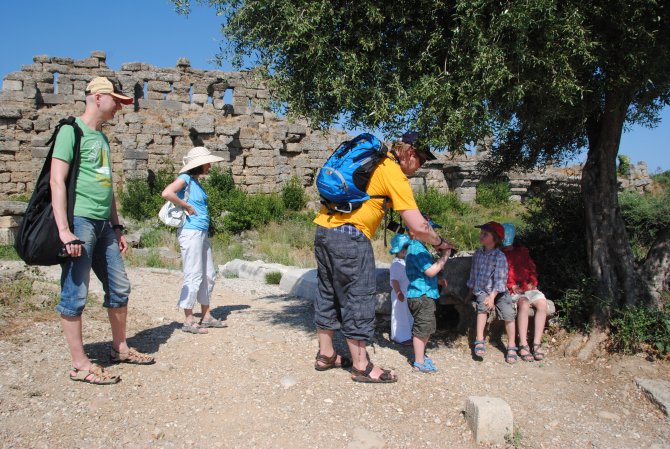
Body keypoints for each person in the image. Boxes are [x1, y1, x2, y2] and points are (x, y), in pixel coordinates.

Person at [313, 131, 454, 383]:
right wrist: (440, 243)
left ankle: (326, 355)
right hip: (350, 237)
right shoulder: (392, 171)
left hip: (324, 230)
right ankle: (361, 366)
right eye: (421, 160)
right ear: (410, 153)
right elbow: (418, 227)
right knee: (357, 296)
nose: (420, 167)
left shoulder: (375, 163)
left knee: (328, 292)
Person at [51, 77, 154, 385]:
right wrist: (64, 230)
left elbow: (108, 188)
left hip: (103, 225)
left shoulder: (103, 139)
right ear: (97, 97)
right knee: (76, 292)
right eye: (116, 102)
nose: (119, 108)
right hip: (79, 222)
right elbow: (57, 181)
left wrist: (117, 225)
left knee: (120, 286)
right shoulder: (71, 131)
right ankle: (80, 364)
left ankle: (119, 348)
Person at [161, 147, 226, 334]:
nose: (210, 165)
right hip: (190, 232)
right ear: (199, 164)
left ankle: (206, 316)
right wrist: (186, 205)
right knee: (193, 273)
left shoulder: (196, 182)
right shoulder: (186, 178)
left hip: (200, 232)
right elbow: (167, 193)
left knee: (208, 274)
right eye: (207, 162)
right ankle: (189, 319)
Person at [465, 221, 517, 363]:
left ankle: (512, 345)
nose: (481, 236)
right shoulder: (478, 254)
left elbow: (500, 279)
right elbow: (474, 274)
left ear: (495, 238)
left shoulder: (499, 256)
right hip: (483, 290)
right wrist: (470, 292)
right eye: (481, 233)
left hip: (499, 291)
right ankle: (479, 339)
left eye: (485, 234)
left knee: (508, 314)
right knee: (482, 307)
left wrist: (493, 296)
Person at [404, 219, 450, 373]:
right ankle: (419, 361)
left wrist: (437, 280)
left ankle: (421, 355)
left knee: (427, 327)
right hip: (421, 296)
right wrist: (445, 256)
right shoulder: (417, 249)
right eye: (429, 232)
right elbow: (430, 271)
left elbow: (422, 274)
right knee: (422, 329)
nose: (433, 236)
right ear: (414, 232)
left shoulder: (419, 248)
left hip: (424, 294)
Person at [502, 223, 548, 361]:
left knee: (542, 303)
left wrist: (533, 281)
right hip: (512, 290)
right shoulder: (499, 255)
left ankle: (537, 343)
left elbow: (531, 268)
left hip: (528, 288)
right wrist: (511, 286)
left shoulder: (522, 251)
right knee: (524, 303)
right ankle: (523, 344)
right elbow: (499, 276)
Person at [389, 233, 413, 346]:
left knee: (406, 315)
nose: (404, 250)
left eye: (406, 247)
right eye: (402, 248)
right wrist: (398, 292)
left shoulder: (404, 262)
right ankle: (400, 337)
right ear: (397, 250)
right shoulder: (396, 264)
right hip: (399, 293)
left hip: (405, 293)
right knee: (399, 315)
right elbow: (394, 280)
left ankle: (406, 334)